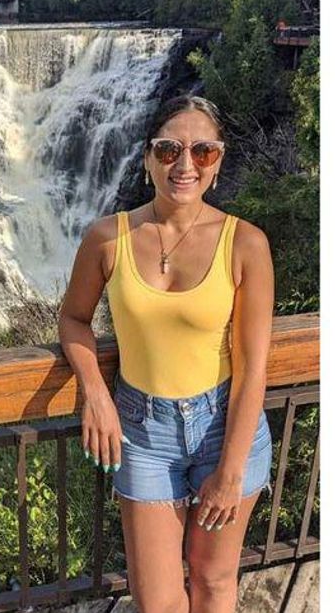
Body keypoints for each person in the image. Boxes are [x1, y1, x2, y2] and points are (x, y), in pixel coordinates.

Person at [57, 95, 275, 613]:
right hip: (142, 429)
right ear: (148, 158)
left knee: (214, 582)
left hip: (225, 425)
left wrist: (230, 469)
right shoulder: (108, 238)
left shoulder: (245, 243)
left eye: (203, 151)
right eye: (169, 149)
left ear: (218, 163)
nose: (185, 164)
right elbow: (73, 319)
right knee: (157, 601)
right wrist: (96, 393)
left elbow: (252, 371)